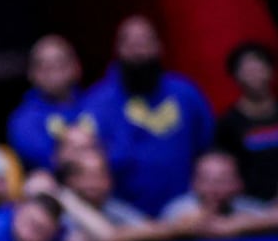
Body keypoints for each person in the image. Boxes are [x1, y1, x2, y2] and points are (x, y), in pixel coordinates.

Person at [90, 14, 212, 217]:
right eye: (130, 44)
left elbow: (207, 148)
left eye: (144, 42)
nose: (138, 51)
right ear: (118, 50)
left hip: (184, 207)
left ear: (159, 47)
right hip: (120, 211)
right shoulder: (98, 102)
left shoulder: (186, 93)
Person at [8, 32, 96, 177]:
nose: (53, 71)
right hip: (55, 185)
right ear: (31, 73)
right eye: (44, 66)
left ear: (77, 66)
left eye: (60, 63)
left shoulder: (97, 104)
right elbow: (44, 161)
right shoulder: (23, 120)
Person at [215, 40, 278, 201]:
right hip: (248, 204)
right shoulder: (228, 123)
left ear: (270, 70)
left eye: (259, 68)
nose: (254, 75)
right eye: (247, 70)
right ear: (235, 77)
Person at [160, 148, 275, 231]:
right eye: (205, 180)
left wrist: (245, 224)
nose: (213, 189)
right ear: (193, 183)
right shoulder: (178, 210)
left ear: (239, 184)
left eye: (222, 180)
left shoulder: (248, 209)